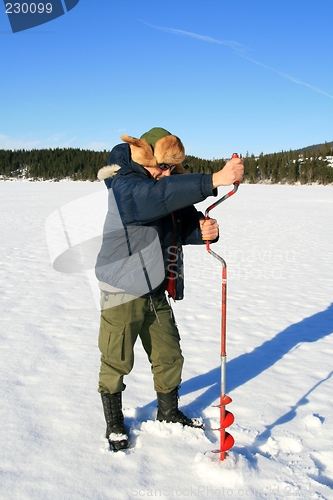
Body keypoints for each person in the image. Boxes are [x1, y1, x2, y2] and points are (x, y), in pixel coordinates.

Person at [95, 127, 244, 451]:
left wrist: (203, 231)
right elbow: (154, 200)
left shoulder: (160, 184)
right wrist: (213, 179)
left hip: (155, 287)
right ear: (143, 156)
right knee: (116, 359)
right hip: (121, 288)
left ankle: (168, 412)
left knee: (169, 355)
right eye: (160, 167)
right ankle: (115, 423)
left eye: (170, 169)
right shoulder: (126, 184)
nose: (165, 174)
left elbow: (177, 222)